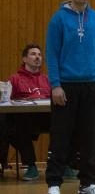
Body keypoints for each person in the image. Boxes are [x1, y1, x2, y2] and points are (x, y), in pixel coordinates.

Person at [45, 0, 95, 194]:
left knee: (90, 137)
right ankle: (54, 183)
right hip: (65, 85)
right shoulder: (58, 19)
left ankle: (88, 183)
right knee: (61, 136)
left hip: (90, 85)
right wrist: (55, 85)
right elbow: (52, 55)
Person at [7, 43, 51, 181]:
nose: (37, 57)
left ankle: (62, 164)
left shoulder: (47, 79)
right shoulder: (14, 79)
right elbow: (6, 101)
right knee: (18, 125)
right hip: (24, 119)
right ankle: (31, 166)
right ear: (24, 59)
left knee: (65, 122)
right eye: (33, 54)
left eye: (39, 55)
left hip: (45, 117)